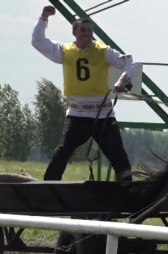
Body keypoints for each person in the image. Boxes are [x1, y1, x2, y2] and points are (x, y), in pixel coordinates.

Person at [31, 5, 134, 182]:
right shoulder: (64, 51)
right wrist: (44, 18)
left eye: (90, 31)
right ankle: (48, 190)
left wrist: (122, 81)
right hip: (77, 115)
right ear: (74, 33)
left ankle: (127, 197)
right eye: (83, 30)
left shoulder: (103, 51)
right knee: (62, 153)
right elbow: (37, 41)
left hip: (103, 116)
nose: (87, 34)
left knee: (120, 159)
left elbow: (130, 63)